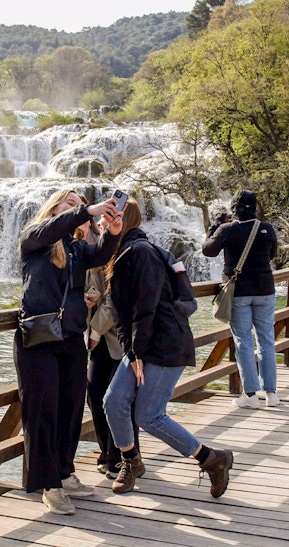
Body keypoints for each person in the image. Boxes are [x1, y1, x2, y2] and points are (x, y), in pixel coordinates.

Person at [103, 199, 233, 497]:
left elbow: (145, 308)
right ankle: (130, 460)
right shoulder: (122, 253)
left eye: (109, 216)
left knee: (149, 415)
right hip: (143, 344)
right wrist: (132, 352)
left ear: (125, 221)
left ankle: (212, 459)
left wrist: (136, 353)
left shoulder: (141, 253)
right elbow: (122, 314)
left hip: (165, 343)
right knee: (113, 401)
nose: (101, 222)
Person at [14, 189, 123, 515]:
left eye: (80, 204)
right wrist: (87, 210)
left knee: (71, 410)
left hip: (72, 339)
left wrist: (112, 233)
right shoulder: (34, 239)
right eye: (71, 203)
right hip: (38, 341)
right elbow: (52, 229)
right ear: (55, 208)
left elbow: (102, 256)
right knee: (43, 412)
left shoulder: (76, 251)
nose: (79, 209)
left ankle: (64, 472)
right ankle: (49, 486)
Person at [202, 189, 279, 408]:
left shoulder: (227, 229)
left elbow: (208, 250)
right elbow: (271, 254)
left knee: (243, 341)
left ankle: (251, 395)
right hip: (265, 290)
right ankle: (271, 394)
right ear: (254, 207)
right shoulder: (267, 228)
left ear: (234, 208)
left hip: (239, 293)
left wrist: (215, 226)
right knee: (266, 341)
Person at [84, 217, 141, 480]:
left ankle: (124, 456)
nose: (100, 222)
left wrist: (94, 330)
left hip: (117, 337)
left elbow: (113, 301)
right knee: (95, 394)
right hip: (99, 338)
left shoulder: (119, 250)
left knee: (118, 398)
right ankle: (107, 452)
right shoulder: (85, 248)